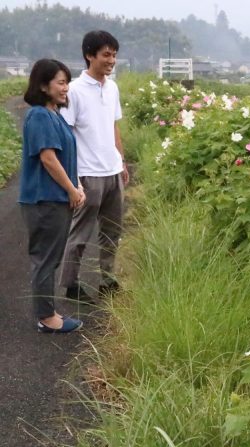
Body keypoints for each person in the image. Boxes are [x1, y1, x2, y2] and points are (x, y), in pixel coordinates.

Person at [60, 30, 128, 305]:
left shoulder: (111, 87)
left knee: (112, 230)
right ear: (90, 55)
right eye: (106, 55)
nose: (111, 60)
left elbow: (113, 126)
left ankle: (107, 280)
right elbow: (67, 133)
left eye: (114, 55)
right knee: (80, 232)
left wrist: (121, 161)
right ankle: (70, 283)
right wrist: (72, 178)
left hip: (112, 171)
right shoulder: (74, 90)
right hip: (88, 173)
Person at [19, 59, 86, 333]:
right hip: (45, 199)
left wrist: (76, 186)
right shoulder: (39, 116)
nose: (65, 88)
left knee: (50, 257)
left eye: (67, 82)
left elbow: (65, 158)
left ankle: (48, 312)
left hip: (55, 198)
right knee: (46, 258)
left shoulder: (53, 115)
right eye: (60, 82)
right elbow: (48, 159)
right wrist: (71, 189)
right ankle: (46, 318)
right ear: (43, 85)